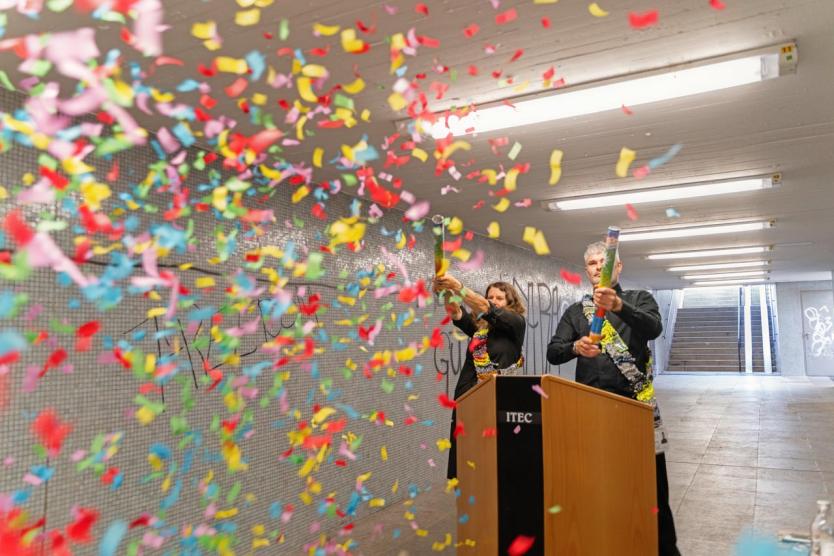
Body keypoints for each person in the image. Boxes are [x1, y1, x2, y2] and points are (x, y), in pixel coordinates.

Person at [546, 241, 680, 556]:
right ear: (587, 269)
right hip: (589, 409)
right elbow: (554, 352)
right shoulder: (576, 312)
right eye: (592, 263)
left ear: (618, 267)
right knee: (594, 486)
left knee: (651, 489)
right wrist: (574, 347)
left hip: (636, 410)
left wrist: (619, 306)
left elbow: (654, 328)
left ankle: (664, 549)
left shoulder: (639, 299)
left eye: (603, 262)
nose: (597, 268)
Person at [432, 273, 526, 480]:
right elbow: (456, 313)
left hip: (499, 402)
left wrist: (459, 286)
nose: (493, 301)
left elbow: (485, 308)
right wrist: (446, 291)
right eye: (490, 296)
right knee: (468, 460)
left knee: (493, 461)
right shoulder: (480, 331)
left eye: (499, 298)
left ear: (511, 303)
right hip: (468, 399)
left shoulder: (516, 324)